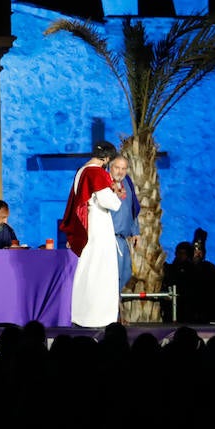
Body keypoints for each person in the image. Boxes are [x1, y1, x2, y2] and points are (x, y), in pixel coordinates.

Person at [61, 140, 122, 328]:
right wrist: (117, 195)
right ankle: (99, 317)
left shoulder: (81, 171)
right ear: (106, 158)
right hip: (98, 227)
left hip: (87, 226)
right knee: (101, 271)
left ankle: (81, 314)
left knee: (87, 270)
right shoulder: (96, 172)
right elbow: (108, 202)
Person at [107, 155, 140, 291]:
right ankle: (110, 310)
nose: (120, 172)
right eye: (117, 168)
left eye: (124, 168)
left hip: (123, 239)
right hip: (109, 238)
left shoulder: (127, 182)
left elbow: (132, 208)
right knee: (112, 278)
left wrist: (135, 232)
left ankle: (114, 307)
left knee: (126, 274)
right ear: (110, 167)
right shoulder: (104, 182)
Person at [191, 227, 215, 322]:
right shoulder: (184, 268)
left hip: (206, 315)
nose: (197, 253)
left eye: (200, 251)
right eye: (195, 250)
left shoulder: (210, 269)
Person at [164, 241, 199, 323]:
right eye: (178, 253)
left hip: (187, 309)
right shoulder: (171, 268)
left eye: (183, 253)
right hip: (172, 307)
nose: (180, 255)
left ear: (188, 255)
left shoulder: (192, 270)